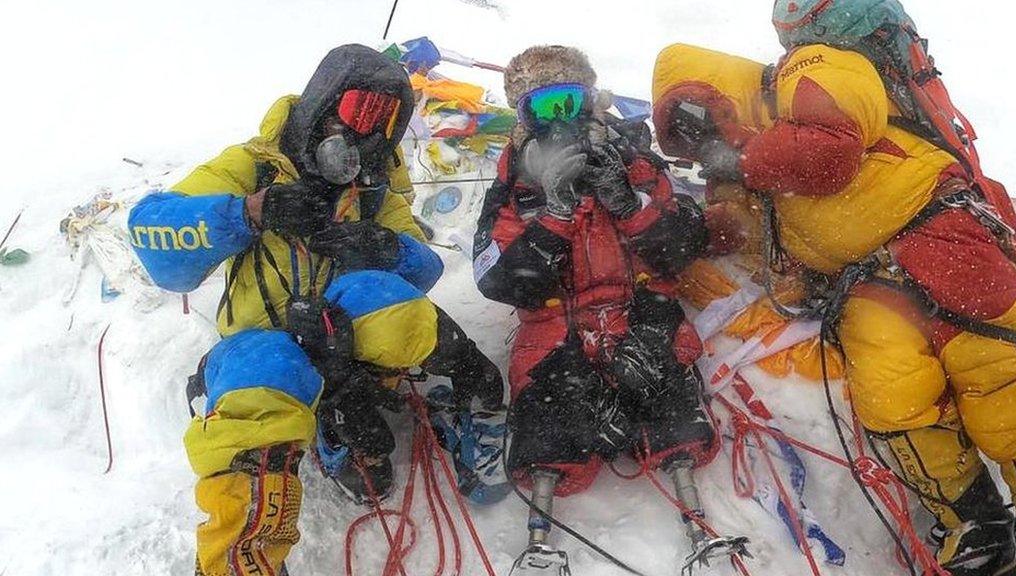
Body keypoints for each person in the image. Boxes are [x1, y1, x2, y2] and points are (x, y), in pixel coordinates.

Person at [652, 3, 1016, 571]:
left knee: (1002, 381)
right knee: (894, 405)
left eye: (694, 118)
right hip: (868, 282)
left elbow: (828, 154)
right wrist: (662, 226)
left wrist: (740, 155)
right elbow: (740, 237)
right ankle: (974, 526)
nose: (695, 138)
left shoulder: (817, 65)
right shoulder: (753, 159)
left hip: (939, 233)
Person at [128, 44, 504, 576]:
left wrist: (383, 246)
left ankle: (469, 387)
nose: (367, 135)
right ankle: (243, 560)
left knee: (389, 304)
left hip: (344, 342)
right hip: (263, 345)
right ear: (321, 103)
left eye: (387, 122)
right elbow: (154, 236)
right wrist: (250, 212)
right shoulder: (253, 166)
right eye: (361, 111)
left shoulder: (371, 189)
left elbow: (425, 267)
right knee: (267, 376)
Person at [474, 45, 742, 573]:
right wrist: (553, 217)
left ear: (592, 101)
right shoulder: (513, 188)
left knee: (674, 419)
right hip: (555, 331)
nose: (561, 120)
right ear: (522, 117)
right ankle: (540, 545)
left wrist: (628, 206)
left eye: (570, 102)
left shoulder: (634, 161)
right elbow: (498, 280)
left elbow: (684, 245)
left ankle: (700, 526)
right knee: (550, 440)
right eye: (543, 107)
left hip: (641, 313)